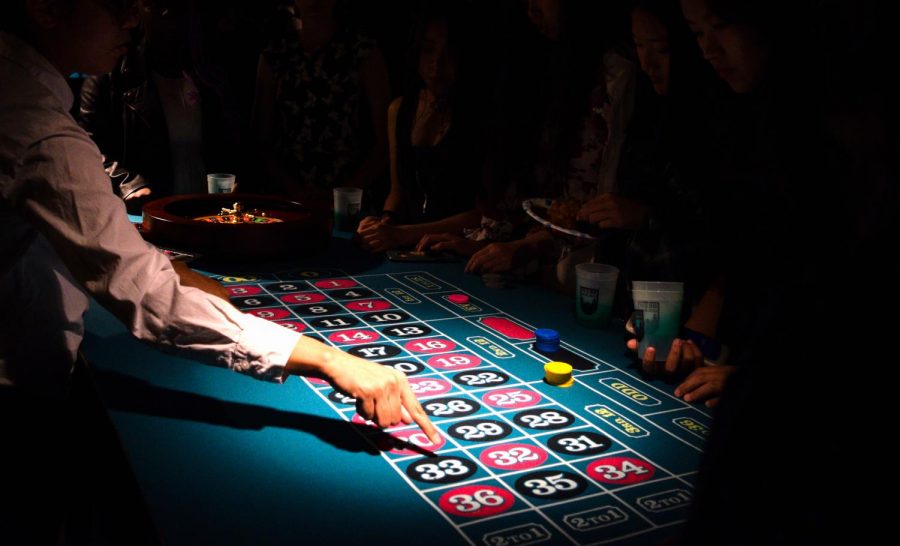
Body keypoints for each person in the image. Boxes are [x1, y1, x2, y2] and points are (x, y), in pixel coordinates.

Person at [0, 0, 438, 540]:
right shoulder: (34, 125)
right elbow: (150, 302)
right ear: (45, 7)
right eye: (117, 4)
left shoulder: (23, 91)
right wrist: (329, 359)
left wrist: (164, 268)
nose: (133, 21)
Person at [79, 0, 245, 212]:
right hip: (152, 212)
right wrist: (128, 184)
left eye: (177, 5)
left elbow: (235, 144)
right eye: (156, 4)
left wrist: (236, 178)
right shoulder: (112, 75)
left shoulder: (213, 76)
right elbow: (89, 146)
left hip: (209, 212)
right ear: (138, 10)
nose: (167, 14)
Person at [356, 4, 484, 253]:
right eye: (428, 50)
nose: (437, 63)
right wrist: (384, 223)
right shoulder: (399, 109)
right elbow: (397, 193)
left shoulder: (480, 116)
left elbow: (485, 215)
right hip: (412, 245)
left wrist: (402, 234)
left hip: (461, 248)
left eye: (450, 53)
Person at [251, 0, 390, 200]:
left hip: (350, 201)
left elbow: (384, 143)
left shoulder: (363, 53)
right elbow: (260, 140)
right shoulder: (275, 56)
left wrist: (343, 194)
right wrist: (295, 191)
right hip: (286, 199)